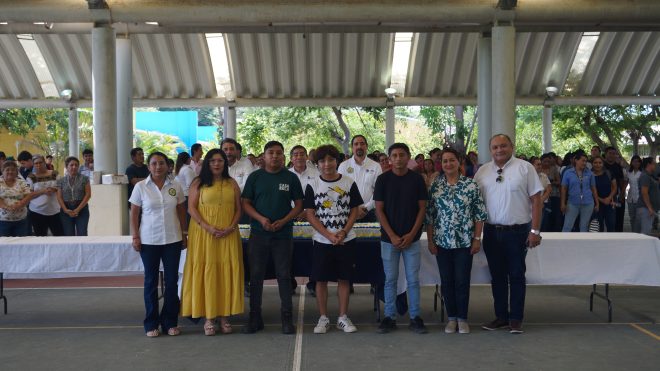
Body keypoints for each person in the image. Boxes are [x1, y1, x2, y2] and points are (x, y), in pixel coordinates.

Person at [474, 134, 543, 334]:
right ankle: (501, 316)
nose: (499, 150)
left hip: (518, 232)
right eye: (495, 147)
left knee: (516, 275)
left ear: (511, 146)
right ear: (490, 150)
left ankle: (516, 318)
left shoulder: (525, 168)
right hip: (492, 232)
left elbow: (537, 200)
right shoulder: (482, 172)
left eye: (503, 146)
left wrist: (535, 231)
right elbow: (475, 204)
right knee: (497, 277)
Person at [241, 141, 304, 334]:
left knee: (284, 276)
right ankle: (255, 317)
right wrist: (261, 219)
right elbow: (245, 203)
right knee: (256, 276)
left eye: (278, 153)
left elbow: (299, 205)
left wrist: (284, 221)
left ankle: (286, 317)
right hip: (259, 234)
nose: (275, 156)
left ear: (283, 156)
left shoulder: (291, 178)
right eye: (271, 153)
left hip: (283, 235)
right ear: (264, 156)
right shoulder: (255, 177)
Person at [181, 149, 243, 336]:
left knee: (225, 271)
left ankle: (224, 315)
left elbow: (239, 209)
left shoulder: (232, 183)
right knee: (207, 271)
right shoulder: (198, 183)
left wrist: (231, 227)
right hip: (203, 234)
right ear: (207, 163)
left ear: (225, 164)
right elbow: (191, 208)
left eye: (220, 161)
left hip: (228, 233)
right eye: (213, 161)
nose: (217, 164)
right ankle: (208, 317)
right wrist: (208, 228)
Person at [427, 148, 487, 334]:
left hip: (464, 242)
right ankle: (451, 318)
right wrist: (430, 241)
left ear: (459, 162)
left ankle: (462, 318)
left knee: (462, 280)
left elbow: (479, 214)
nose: (448, 164)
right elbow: (430, 217)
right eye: (444, 161)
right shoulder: (436, 186)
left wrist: (477, 238)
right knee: (446, 281)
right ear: (441, 164)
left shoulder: (471, 185)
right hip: (442, 242)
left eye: (452, 160)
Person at [304, 144, 363, 334]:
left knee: (344, 279)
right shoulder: (312, 185)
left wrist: (344, 232)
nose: (327, 164)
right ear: (317, 164)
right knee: (321, 280)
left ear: (337, 161)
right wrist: (328, 235)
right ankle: (323, 318)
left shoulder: (348, 182)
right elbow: (311, 214)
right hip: (322, 241)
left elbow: (354, 210)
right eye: (322, 161)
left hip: (346, 239)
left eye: (331, 160)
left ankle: (342, 317)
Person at [130, 151, 187, 338]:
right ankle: (151, 323)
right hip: (149, 241)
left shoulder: (176, 186)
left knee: (171, 282)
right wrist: (135, 237)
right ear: (149, 167)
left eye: (161, 163)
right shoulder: (140, 187)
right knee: (151, 282)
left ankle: (170, 322)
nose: (158, 167)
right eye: (154, 163)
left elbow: (181, 211)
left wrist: (185, 234)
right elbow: (134, 214)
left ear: (167, 165)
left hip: (172, 239)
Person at [374, 143, 428, 334]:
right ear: (389, 159)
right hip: (389, 240)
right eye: (394, 155)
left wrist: (413, 234)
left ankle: (415, 317)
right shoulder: (382, 180)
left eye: (401, 155)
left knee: (413, 280)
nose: (398, 158)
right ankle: (389, 317)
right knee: (390, 280)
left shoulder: (417, 180)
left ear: (408, 157)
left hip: (411, 239)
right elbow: (379, 209)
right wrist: (392, 235)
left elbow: (422, 208)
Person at [289, 144, 320, 295]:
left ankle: (313, 282)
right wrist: (294, 213)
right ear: (291, 158)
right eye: (295, 154)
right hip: (290, 217)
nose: (299, 157)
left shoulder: (316, 173)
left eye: (302, 154)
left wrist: (306, 212)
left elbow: (318, 196)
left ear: (307, 157)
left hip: (312, 217)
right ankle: (290, 282)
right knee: (290, 251)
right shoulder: (286, 175)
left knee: (312, 250)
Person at [338, 135, 382, 223]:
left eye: (362, 144)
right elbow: (339, 189)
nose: (359, 146)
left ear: (366, 146)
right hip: (347, 211)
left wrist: (366, 208)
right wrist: (351, 208)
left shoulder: (376, 166)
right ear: (352, 147)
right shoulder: (343, 166)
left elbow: (379, 190)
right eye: (356, 144)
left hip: (369, 212)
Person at [560, 153, 598, 232]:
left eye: (586, 161)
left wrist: (597, 203)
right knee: (567, 226)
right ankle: (563, 243)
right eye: (582, 161)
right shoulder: (568, 172)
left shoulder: (590, 173)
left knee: (584, 226)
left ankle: (583, 244)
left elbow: (593, 188)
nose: (584, 163)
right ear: (576, 160)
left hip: (588, 202)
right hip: (572, 203)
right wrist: (562, 203)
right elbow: (563, 189)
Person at [26, 154, 63, 236]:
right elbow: (29, 195)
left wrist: (54, 189)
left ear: (44, 162)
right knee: (40, 238)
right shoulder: (31, 177)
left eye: (40, 162)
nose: (38, 165)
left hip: (55, 211)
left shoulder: (55, 173)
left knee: (60, 236)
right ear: (33, 164)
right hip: (37, 212)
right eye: (36, 163)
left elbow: (61, 187)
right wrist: (43, 191)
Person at [55, 156, 91, 236]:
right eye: (71, 165)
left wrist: (78, 209)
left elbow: (88, 195)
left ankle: (83, 249)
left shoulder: (85, 179)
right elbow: (59, 197)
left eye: (76, 165)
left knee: (82, 233)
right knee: (68, 234)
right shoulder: (61, 181)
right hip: (66, 210)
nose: (74, 167)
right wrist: (65, 209)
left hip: (81, 208)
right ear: (66, 167)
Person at [0, 161, 32, 236]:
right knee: (4, 244)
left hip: (21, 220)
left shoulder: (21, 182)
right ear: (3, 171)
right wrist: (6, 207)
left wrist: (20, 205)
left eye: (13, 170)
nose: (10, 172)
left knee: (20, 244)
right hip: (3, 220)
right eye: (7, 169)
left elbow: (28, 195)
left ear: (16, 172)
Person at [603, 147, 627, 231]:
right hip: (602, 198)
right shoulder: (600, 165)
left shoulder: (619, 167)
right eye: (610, 153)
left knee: (618, 221)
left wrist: (622, 194)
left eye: (614, 153)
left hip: (616, 197)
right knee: (600, 222)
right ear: (605, 154)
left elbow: (622, 181)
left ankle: (618, 240)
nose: (612, 155)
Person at [591, 156, 617, 232]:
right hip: (596, 204)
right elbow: (590, 191)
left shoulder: (609, 173)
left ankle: (611, 243)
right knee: (598, 227)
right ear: (592, 164)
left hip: (609, 203)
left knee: (611, 225)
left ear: (603, 164)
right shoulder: (589, 175)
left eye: (600, 163)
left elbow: (615, 187)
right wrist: (602, 200)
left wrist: (609, 198)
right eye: (595, 162)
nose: (597, 165)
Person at [635, 157, 659, 235]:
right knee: (645, 234)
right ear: (649, 164)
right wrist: (650, 208)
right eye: (654, 164)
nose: (655, 165)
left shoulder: (650, 176)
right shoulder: (645, 176)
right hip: (645, 209)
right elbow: (644, 193)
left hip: (648, 209)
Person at [531, 157, 552, 227]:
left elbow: (549, 189)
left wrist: (540, 201)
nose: (540, 166)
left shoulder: (544, 176)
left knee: (539, 226)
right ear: (531, 165)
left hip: (541, 205)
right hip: (529, 206)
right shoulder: (526, 176)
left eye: (540, 164)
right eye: (538, 164)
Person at [626, 155, 642, 231]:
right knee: (632, 217)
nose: (636, 163)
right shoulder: (629, 173)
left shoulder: (642, 173)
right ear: (631, 163)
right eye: (634, 161)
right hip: (630, 198)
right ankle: (634, 232)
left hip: (640, 199)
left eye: (638, 161)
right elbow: (625, 184)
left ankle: (639, 233)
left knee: (639, 218)